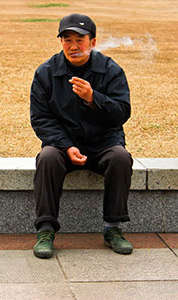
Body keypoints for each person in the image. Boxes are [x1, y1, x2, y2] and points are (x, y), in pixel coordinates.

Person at [30, 13, 133, 259]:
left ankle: (113, 228)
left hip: (103, 144)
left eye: (80, 39)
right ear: (61, 42)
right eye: (67, 39)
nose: (73, 46)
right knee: (47, 157)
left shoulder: (111, 70)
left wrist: (93, 98)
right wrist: (65, 146)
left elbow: (122, 113)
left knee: (120, 157)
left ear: (93, 42)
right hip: (63, 146)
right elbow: (41, 119)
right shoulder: (46, 72)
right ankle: (45, 229)